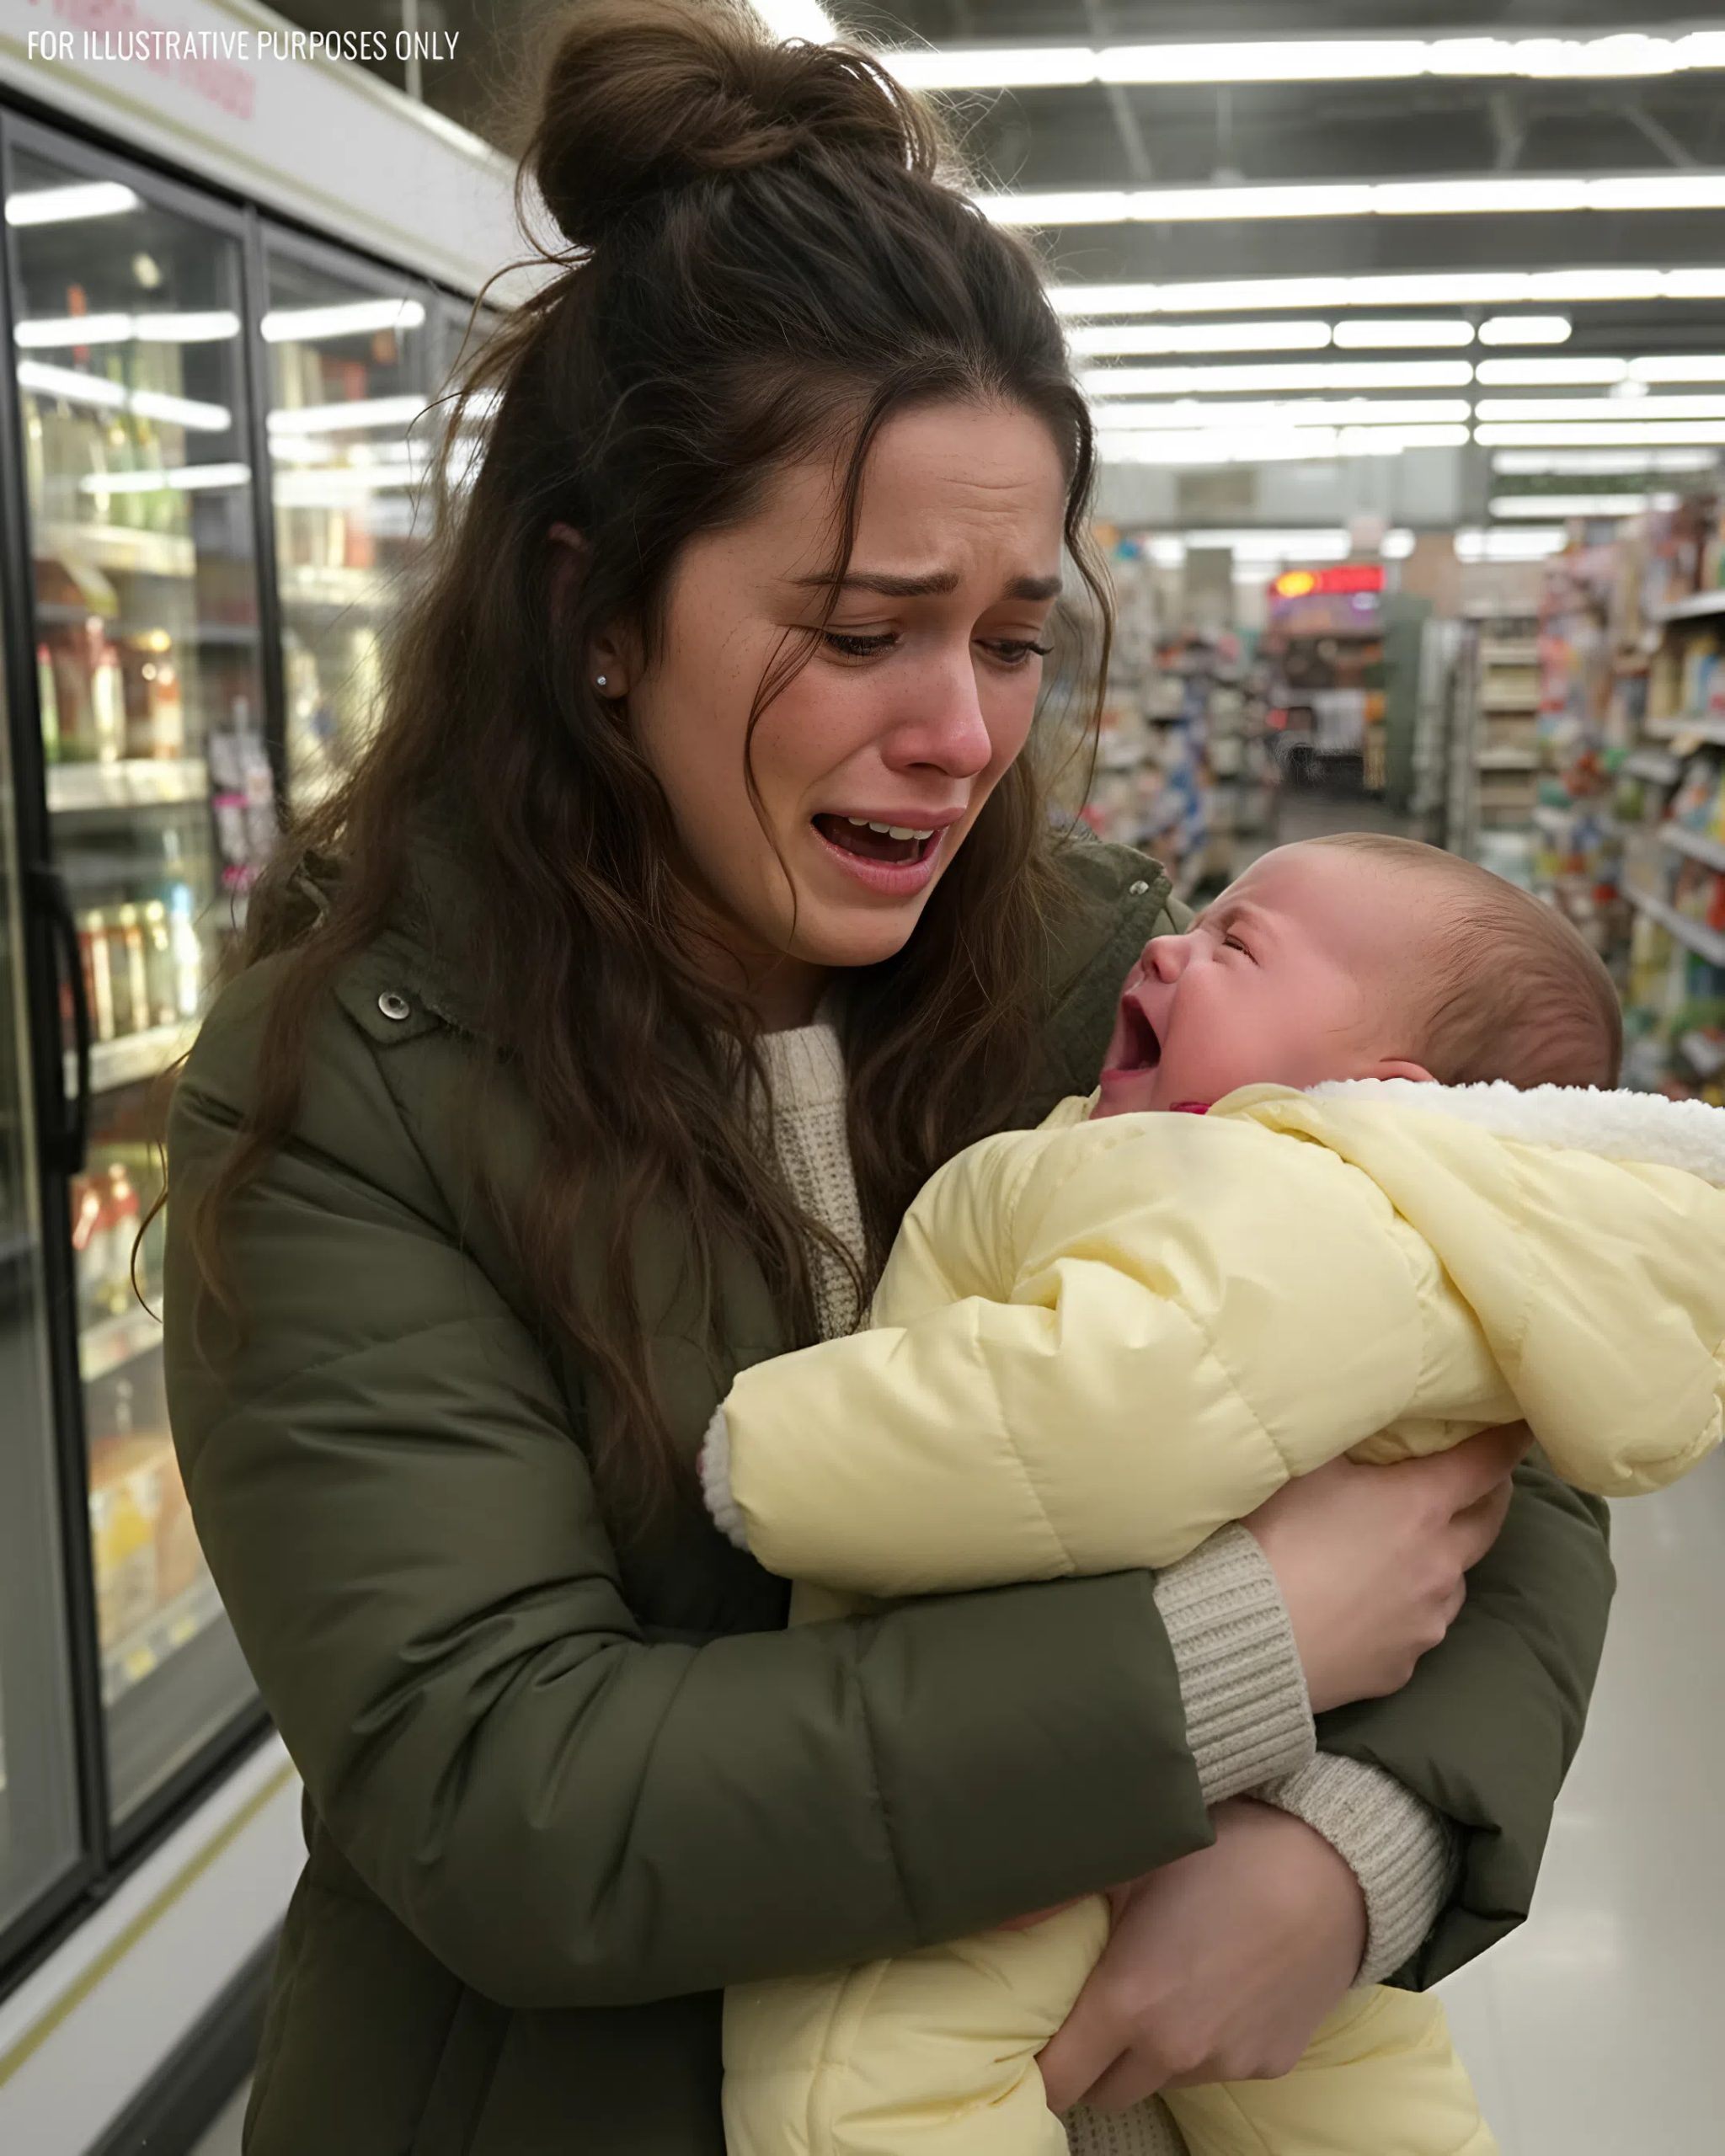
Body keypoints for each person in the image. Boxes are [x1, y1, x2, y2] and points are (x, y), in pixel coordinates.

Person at [159, 8, 1612, 2153]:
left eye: (1012, 639)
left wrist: (1355, 1841)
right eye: (861, 630)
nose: (959, 733)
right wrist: (1229, 1652)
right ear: (596, 612)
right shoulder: (349, 1089)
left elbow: (1511, 1378)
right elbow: (507, 1790)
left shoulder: (1116, 975)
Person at [706, 831, 1725, 2156]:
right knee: (1356, 2097)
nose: (1171, 943)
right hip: (1101, 1760)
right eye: (854, 631)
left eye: (1236, 942)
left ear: (1376, 1087)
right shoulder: (1390, 1217)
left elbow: (1100, 1415)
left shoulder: (1294, 1209)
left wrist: (781, 1453)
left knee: (864, 2075)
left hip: (1051, 1807)